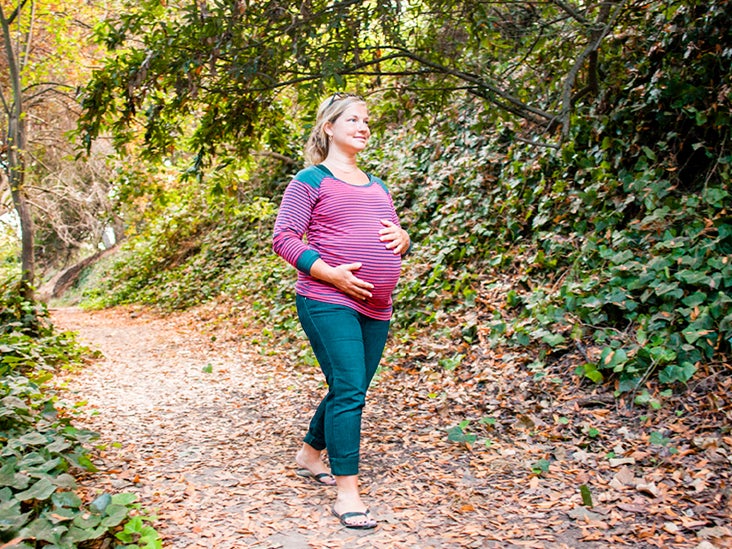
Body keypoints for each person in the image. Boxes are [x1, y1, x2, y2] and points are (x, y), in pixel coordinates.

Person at [272, 92, 410, 529]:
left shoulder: (378, 185)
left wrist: (404, 238)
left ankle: (310, 451)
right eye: (352, 119)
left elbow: (389, 233)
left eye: (366, 120)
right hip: (327, 298)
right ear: (329, 127)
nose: (363, 126)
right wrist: (331, 274)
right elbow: (284, 238)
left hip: (378, 305)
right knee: (350, 388)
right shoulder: (310, 180)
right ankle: (348, 494)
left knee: (349, 386)